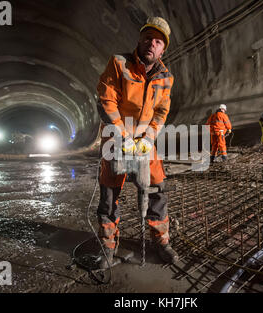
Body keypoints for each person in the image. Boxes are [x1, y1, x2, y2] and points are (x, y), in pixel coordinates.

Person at [96, 17, 178, 269]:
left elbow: (161, 112)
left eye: (157, 41)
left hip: (144, 142)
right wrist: (123, 136)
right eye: (147, 38)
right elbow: (106, 100)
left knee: (157, 190)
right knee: (110, 194)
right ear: (139, 41)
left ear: (163, 48)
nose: (151, 44)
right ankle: (109, 245)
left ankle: (161, 241)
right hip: (116, 139)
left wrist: (149, 138)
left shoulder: (166, 77)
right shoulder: (119, 63)